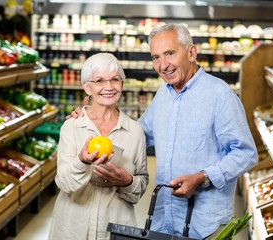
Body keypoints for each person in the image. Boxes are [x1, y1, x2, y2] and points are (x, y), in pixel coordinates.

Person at [68, 23, 258, 239]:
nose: (163, 65)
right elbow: (137, 135)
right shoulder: (163, 95)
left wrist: (202, 177)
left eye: (170, 53)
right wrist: (93, 117)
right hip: (163, 219)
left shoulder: (220, 96)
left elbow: (246, 153)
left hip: (204, 224)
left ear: (191, 53)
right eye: (156, 57)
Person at [48, 52, 149, 240]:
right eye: (100, 81)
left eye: (115, 80)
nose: (108, 87)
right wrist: (81, 161)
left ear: (122, 85)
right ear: (87, 87)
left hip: (115, 228)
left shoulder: (135, 131)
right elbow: (63, 182)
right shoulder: (73, 126)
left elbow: (140, 187)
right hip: (73, 228)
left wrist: (126, 181)